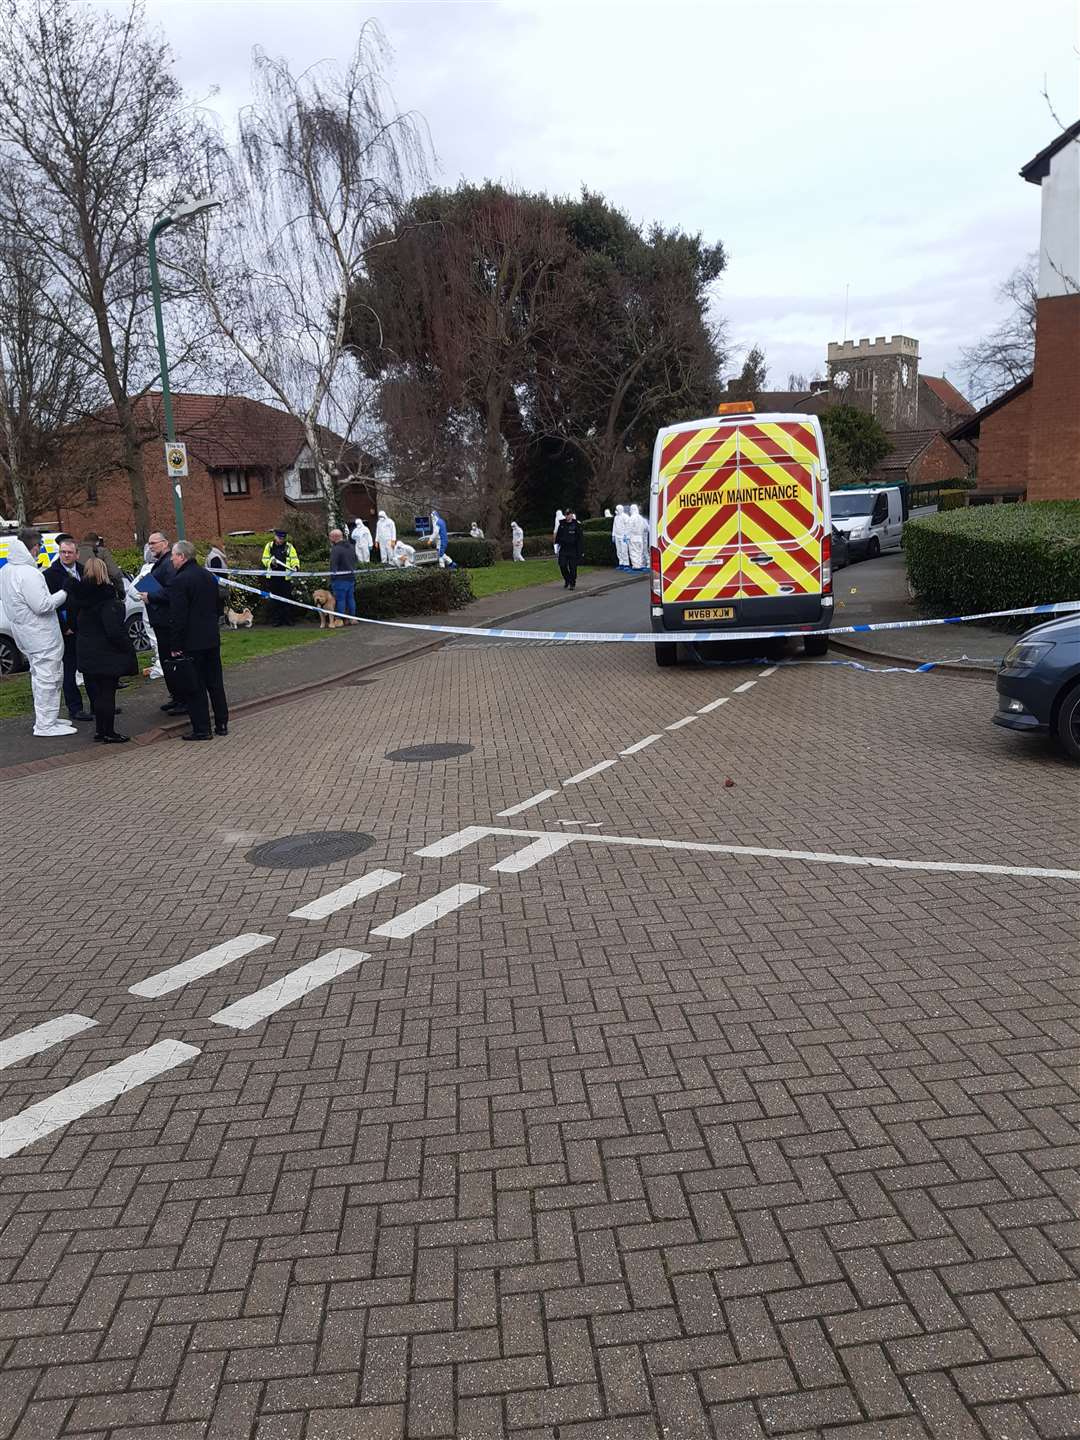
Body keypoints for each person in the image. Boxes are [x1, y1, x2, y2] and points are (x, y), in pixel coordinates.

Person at [0, 528, 72, 737]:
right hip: (40, 634)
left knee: (41, 676)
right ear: (34, 547)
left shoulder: (7, 570)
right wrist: (65, 591)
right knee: (48, 677)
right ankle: (45, 724)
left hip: (26, 632)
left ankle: (48, 718)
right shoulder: (28, 573)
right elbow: (42, 605)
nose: (40, 550)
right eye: (39, 546)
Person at [169, 541, 229, 742]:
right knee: (215, 682)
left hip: (192, 641)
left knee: (196, 685)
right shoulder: (208, 576)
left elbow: (179, 616)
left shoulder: (180, 581)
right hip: (211, 637)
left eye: (174, 556)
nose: (171, 559)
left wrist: (175, 645)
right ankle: (221, 722)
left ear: (182, 557)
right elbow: (217, 604)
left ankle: (202, 728)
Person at [76, 556, 137, 744]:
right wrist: (126, 646)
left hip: (87, 650)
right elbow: (113, 629)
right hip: (105, 652)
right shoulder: (107, 597)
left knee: (96, 693)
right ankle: (108, 731)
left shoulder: (80, 596)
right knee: (107, 693)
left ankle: (100, 730)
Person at [43, 534, 92, 723]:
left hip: (86, 627)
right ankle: (75, 708)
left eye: (70, 552)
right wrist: (64, 627)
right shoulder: (49, 575)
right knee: (69, 670)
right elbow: (51, 605)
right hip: (67, 630)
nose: (66, 555)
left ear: (77, 554)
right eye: (63, 552)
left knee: (90, 667)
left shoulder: (83, 570)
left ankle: (98, 704)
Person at [141, 531, 184, 714]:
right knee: (166, 661)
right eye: (149, 543)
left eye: (154, 543)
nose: (150, 546)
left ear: (165, 543)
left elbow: (172, 592)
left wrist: (150, 595)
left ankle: (182, 699)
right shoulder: (161, 563)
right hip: (160, 621)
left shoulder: (168, 564)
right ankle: (176, 696)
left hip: (167, 621)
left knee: (173, 661)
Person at [261, 528, 300, 626]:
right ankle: (276, 620)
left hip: (285, 578)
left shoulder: (289, 547)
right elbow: (264, 559)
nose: (281, 540)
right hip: (273, 577)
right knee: (275, 600)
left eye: (283, 538)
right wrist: (271, 562)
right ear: (275, 537)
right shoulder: (269, 546)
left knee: (287, 599)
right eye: (279, 538)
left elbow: (294, 559)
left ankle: (288, 620)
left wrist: (295, 566)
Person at [78, 532, 125, 601]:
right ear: (97, 542)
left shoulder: (73, 552)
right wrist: (121, 592)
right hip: (98, 594)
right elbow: (114, 574)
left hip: (79, 595)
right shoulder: (101, 551)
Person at [328, 527, 357, 620]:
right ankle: (353, 618)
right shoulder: (351, 547)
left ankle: (340, 619)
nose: (330, 539)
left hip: (339, 578)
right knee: (350, 599)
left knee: (340, 600)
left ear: (334, 537)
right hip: (351, 577)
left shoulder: (336, 549)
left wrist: (332, 576)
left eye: (330, 537)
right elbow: (355, 560)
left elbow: (333, 564)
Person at [554, 509, 584, 590]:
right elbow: (558, 536)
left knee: (573, 568)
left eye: (569, 514)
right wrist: (557, 545)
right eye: (566, 514)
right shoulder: (562, 524)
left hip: (573, 549)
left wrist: (580, 551)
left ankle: (572, 583)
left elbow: (580, 538)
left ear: (571, 515)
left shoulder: (576, 524)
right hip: (563, 548)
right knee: (562, 565)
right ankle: (567, 580)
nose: (567, 516)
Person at [626, 503, 648, 570]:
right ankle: (639, 564)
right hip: (640, 537)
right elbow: (646, 527)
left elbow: (629, 528)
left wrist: (627, 536)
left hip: (633, 537)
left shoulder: (632, 517)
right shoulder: (641, 518)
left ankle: (636, 566)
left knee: (633, 551)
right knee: (639, 552)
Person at [612, 504, 631, 569]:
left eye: (617, 510)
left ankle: (626, 564)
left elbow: (628, 526)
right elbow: (614, 526)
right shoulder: (616, 517)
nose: (616, 511)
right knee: (619, 551)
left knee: (624, 550)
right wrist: (613, 535)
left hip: (623, 536)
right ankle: (621, 563)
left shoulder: (625, 516)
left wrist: (626, 535)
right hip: (617, 536)